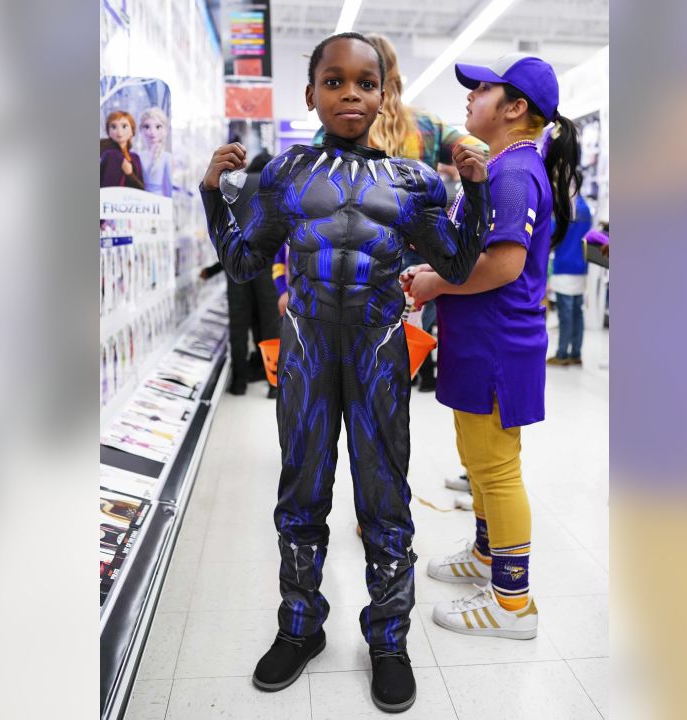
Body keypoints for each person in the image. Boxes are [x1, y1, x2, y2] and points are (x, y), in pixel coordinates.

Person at [199, 32, 490, 712]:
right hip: (304, 353)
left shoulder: (414, 182)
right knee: (301, 492)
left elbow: (452, 264)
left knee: (384, 499)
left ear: (385, 93)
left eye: (366, 82)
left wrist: (472, 196)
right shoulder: (283, 174)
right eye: (335, 81)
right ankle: (300, 627)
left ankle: (388, 639)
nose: (351, 93)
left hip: (379, 354)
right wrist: (214, 194)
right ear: (312, 94)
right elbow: (245, 265)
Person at [404, 53, 581, 640]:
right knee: (478, 460)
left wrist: (436, 281)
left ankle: (512, 602)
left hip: (497, 343)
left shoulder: (512, 173)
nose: (469, 98)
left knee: (497, 468)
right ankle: (486, 555)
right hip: (478, 339)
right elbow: (475, 252)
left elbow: (502, 265)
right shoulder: (501, 166)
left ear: (515, 108)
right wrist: (438, 267)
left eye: (481, 90)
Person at [314, 33, 486, 393]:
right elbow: (482, 152)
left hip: (349, 271)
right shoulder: (428, 126)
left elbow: (314, 203)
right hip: (414, 269)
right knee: (388, 386)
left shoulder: (341, 123)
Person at [199, 150, 283, 397]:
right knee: (270, 325)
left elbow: (224, 232)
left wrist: (216, 269)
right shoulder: (276, 188)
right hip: (267, 266)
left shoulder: (234, 186)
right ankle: (274, 385)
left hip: (236, 264)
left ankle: (239, 383)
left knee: (239, 324)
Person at [548, 194, 592, 366]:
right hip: (581, 266)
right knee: (577, 313)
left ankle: (561, 354)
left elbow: (551, 231)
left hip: (564, 265)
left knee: (565, 314)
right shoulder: (586, 208)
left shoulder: (564, 208)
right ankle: (576, 353)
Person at [100, 110, 146, 189]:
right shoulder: (110, 155)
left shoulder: (135, 157)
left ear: (132, 131)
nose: (119, 131)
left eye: (124, 126)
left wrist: (130, 174)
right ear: (109, 132)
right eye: (114, 127)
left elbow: (141, 188)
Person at [139, 107, 174, 197]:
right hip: (139, 201)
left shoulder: (167, 158)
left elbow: (169, 186)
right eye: (147, 127)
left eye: (158, 127)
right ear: (141, 130)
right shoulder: (138, 156)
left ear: (165, 130)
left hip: (159, 202)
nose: (152, 132)